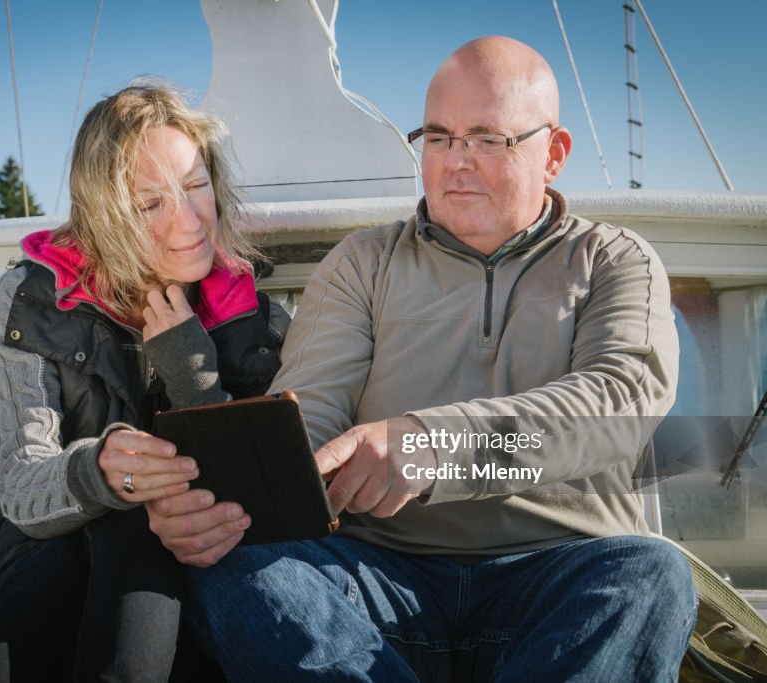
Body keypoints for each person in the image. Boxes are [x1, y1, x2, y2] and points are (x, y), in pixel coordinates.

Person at [161, 36, 698, 681]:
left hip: (559, 580)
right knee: (231, 564)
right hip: (380, 585)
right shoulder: (362, 263)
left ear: (553, 154)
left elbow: (618, 405)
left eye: (485, 138)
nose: (455, 163)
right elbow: (313, 413)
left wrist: (430, 446)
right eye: (438, 137)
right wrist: (231, 507)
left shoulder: (615, 260)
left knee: (653, 575)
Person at [0, 82, 287, 682]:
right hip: (46, 549)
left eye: (196, 187)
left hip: (192, 556)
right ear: (106, 212)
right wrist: (100, 471)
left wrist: (194, 377)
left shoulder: (255, 317)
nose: (188, 221)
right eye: (151, 204)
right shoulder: (31, 300)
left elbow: (269, 491)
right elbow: (20, 483)